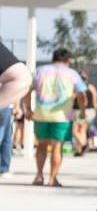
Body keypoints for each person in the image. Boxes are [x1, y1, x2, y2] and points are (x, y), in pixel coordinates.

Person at [30, 48, 86, 187]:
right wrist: (83, 110)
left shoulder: (40, 70)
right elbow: (82, 94)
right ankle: (52, 179)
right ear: (68, 61)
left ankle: (39, 176)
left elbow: (27, 89)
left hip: (41, 114)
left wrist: (27, 109)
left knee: (41, 145)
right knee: (57, 147)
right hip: (62, 116)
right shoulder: (72, 73)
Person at [0, 42, 33, 179]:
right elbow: (21, 80)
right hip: (7, 106)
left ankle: (4, 168)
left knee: (6, 138)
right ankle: (4, 168)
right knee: (5, 138)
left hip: (8, 106)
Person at [71, 70, 97, 156]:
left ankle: (83, 145)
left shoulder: (77, 88)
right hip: (89, 111)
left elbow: (72, 99)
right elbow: (95, 102)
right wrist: (95, 112)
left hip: (81, 110)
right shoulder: (91, 87)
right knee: (82, 130)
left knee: (75, 130)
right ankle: (79, 150)